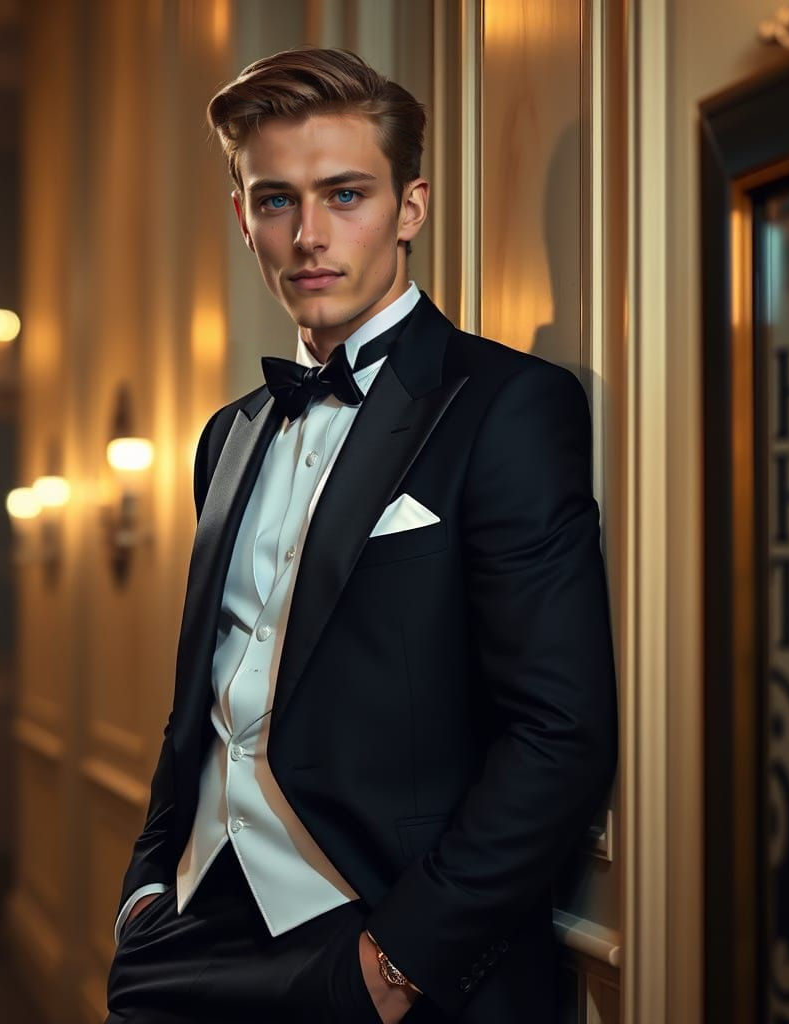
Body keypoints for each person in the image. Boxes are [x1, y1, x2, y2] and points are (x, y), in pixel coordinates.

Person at [105, 47, 618, 1024]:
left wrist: (399, 960)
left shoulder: (506, 406)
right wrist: (145, 890)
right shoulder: (230, 433)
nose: (308, 236)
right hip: (182, 937)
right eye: (274, 201)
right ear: (241, 217)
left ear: (410, 207)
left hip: (369, 949)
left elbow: (561, 730)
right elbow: (203, 696)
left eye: (344, 194)